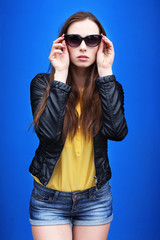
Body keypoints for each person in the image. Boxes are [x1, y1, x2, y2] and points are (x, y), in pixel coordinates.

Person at [28, 11, 128, 240]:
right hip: (48, 200)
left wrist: (105, 72)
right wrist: (60, 75)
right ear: (64, 44)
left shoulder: (111, 87)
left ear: (101, 44)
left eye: (91, 40)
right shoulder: (42, 84)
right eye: (75, 39)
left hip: (95, 199)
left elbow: (117, 132)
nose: (83, 47)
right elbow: (49, 134)